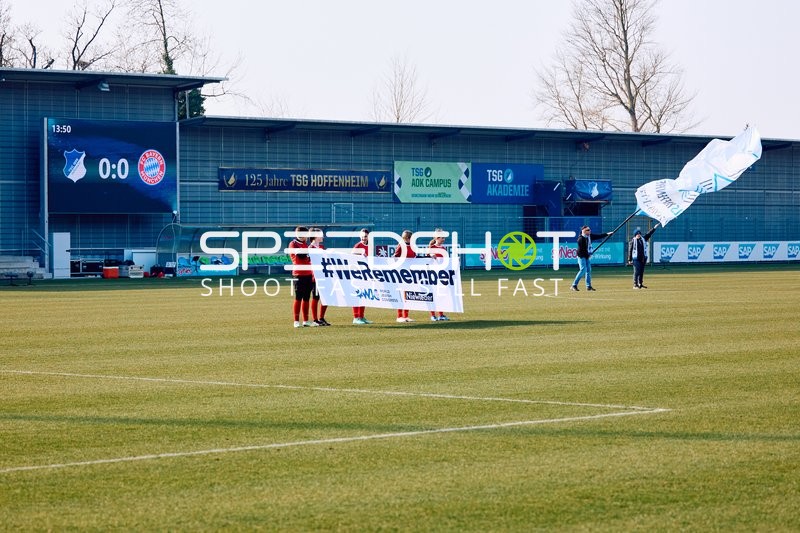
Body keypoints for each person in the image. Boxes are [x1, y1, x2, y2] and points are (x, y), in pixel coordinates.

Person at [570, 225, 614, 292]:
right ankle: (574, 285)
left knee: (588, 270)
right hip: (581, 256)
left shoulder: (589, 236)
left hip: (586, 255)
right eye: (588, 230)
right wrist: (588, 255)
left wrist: (607, 234)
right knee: (583, 270)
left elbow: (598, 236)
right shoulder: (580, 239)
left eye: (589, 229)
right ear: (584, 231)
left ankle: (588, 286)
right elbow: (583, 250)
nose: (590, 231)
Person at [288, 226, 314, 327]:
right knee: (298, 297)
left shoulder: (305, 244)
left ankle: (306, 320)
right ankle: (296, 321)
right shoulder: (293, 244)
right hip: (298, 274)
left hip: (308, 273)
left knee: (307, 297)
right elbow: (301, 256)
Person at [308, 227, 331, 325]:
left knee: (326, 297)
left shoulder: (321, 248)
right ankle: (315, 319)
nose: (323, 237)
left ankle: (321, 317)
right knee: (316, 297)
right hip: (315, 276)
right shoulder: (310, 248)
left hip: (324, 275)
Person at [394, 230, 416, 323]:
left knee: (407, 295)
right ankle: (399, 316)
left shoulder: (413, 246)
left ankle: (406, 316)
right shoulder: (401, 246)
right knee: (401, 295)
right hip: (401, 274)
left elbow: (415, 257)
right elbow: (394, 257)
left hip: (410, 274)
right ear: (407, 238)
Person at [351, 228, 372, 324]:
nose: (364, 238)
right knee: (357, 295)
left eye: (365, 236)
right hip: (357, 274)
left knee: (364, 295)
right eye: (362, 236)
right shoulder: (357, 246)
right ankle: (356, 317)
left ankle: (362, 316)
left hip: (366, 274)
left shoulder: (370, 246)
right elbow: (351, 259)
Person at [627, 224, 659, 289]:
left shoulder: (643, 239)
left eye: (639, 234)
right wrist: (629, 259)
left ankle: (640, 284)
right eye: (637, 234)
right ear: (635, 235)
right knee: (637, 271)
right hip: (636, 258)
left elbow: (649, 234)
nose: (638, 235)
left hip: (643, 258)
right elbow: (630, 250)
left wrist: (654, 228)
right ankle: (635, 285)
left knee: (641, 271)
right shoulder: (633, 241)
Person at [428, 229, 449, 321]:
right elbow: (427, 257)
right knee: (432, 295)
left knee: (441, 295)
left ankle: (441, 315)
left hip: (441, 275)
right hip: (432, 275)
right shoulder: (431, 247)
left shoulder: (443, 248)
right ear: (437, 238)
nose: (444, 239)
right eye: (442, 237)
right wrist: (431, 255)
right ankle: (433, 315)